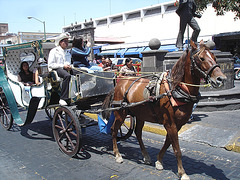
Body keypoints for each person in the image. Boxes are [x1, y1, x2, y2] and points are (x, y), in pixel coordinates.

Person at [48, 32, 72, 106]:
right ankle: (63, 97)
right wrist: (63, 66)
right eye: (65, 41)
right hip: (57, 69)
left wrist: (69, 66)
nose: (67, 43)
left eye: (67, 41)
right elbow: (51, 64)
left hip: (66, 68)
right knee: (67, 76)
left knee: (81, 72)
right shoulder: (54, 51)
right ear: (60, 42)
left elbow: (69, 62)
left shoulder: (67, 52)